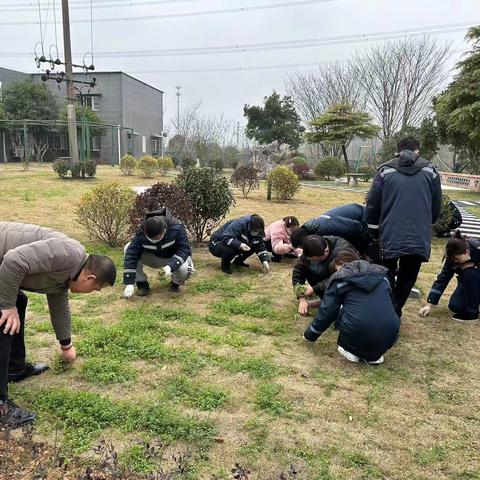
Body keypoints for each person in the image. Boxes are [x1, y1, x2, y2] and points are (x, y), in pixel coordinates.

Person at [0, 222, 116, 428]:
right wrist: (6, 306)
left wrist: (66, 346)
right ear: (90, 278)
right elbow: (13, 260)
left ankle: (14, 369)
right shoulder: (68, 255)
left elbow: (59, 306)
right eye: (96, 289)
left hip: (5, 267)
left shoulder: (69, 275)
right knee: (4, 318)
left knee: (19, 302)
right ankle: (1, 407)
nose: (94, 293)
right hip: (5, 262)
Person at [366, 136, 442, 316]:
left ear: (397, 150)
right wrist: (427, 223)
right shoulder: (431, 171)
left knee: (386, 273)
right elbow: (436, 205)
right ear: (418, 151)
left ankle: (385, 310)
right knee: (408, 276)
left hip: (390, 232)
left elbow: (373, 204)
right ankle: (395, 311)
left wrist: (373, 230)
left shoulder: (384, 171)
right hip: (418, 234)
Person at [303, 250, 400, 364]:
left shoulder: (339, 279)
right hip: (391, 331)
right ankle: (374, 354)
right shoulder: (383, 274)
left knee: (345, 311)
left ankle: (351, 350)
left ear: (341, 264)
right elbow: (393, 303)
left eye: (336, 269)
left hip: (356, 329)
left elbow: (327, 311)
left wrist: (310, 334)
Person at [123, 208, 193, 297]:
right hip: (152, 257)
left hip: (172, 258)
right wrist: (129, 283)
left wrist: (170, 266)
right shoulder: (140, 233)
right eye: (150, 238)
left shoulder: (177, 227)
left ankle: (176, 283)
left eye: (156, 238)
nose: (153, 240)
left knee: (184, 268)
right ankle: (142, 283)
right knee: (127, 248)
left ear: (164, 230)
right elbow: (131, 255)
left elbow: (184, 250)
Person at [420, 231, 480, 322]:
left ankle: (472, 314)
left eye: (457, 259)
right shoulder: (452, 258)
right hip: (467, 283)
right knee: (455, 306)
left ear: (467, 252)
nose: (455, 262)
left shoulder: (477, 248)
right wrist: (429, 305)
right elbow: (442, 279)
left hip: (475, 279)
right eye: (453, 260)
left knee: (470, 273)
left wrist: (475, 266)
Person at [292, 235, 357, 316]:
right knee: (308, 267)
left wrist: (314, 289)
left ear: (325, 252)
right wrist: (302, 298)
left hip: (348, 283)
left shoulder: (343, 252)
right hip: (327, 279)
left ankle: (336, 303)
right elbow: (298, 272)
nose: (312, 261)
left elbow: (342, 277)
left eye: (315, 259)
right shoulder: (311, 248)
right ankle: (326, 300)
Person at [290, 203, 372, 256]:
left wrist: (362, 251)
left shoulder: (324, 228)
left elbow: (357, 228)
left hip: (365, 218)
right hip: (355, 219)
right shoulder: (310, 226)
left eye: (302, 247)